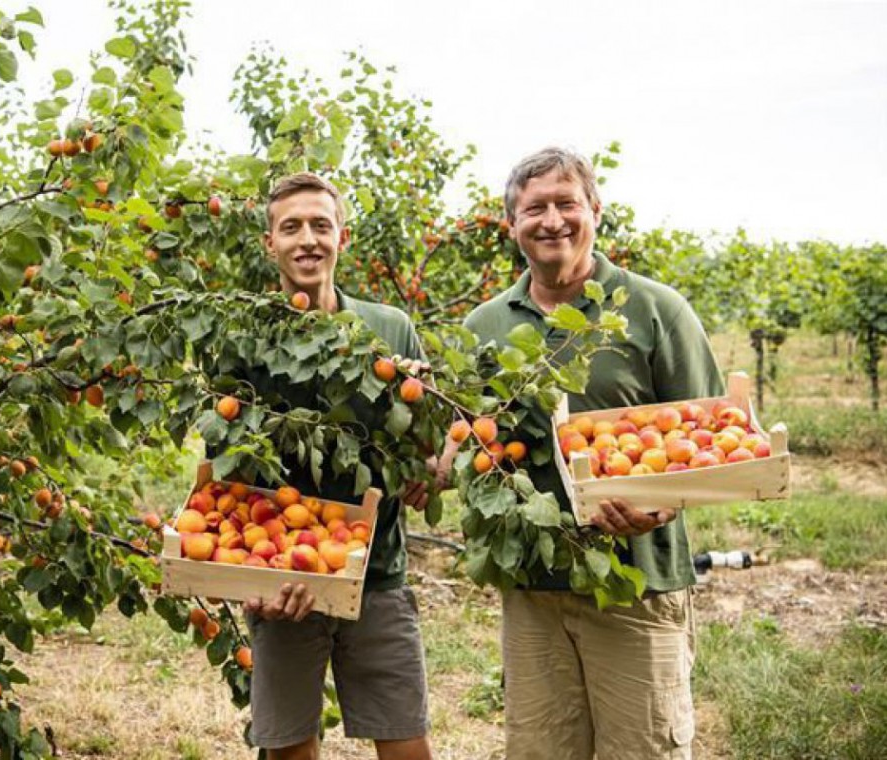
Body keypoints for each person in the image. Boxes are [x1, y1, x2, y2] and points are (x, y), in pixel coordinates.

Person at [461, 147, 722, 759]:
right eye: (534, 209)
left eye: (566, 203)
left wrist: (662, 505)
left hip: (637, 583)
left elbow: (714, 439)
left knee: (643, 749)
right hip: (532, 591)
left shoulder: (655, 310)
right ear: (512, 226)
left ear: (595, 211)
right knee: (541, 749)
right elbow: (471, 444)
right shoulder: (486, 325)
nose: (552, 220)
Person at [240, 173, 432, 760]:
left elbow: (424, 443)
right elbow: (228, 475)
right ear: (269, 243)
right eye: (291, 227)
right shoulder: (244, 336)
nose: (307, 240)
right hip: (284, 573)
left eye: (321, 225)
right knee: (290, 746)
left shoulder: (390, 329)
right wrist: (252, 576)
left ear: (341, 238)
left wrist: (426, 466)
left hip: (377, 573)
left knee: (405, 739)